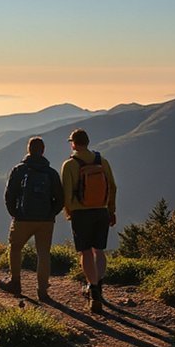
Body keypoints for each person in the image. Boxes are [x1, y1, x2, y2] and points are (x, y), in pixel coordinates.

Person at [0, 137, 63, 301]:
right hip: (46, 221)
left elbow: (9, 195)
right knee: (43, 254)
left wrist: (15, 213)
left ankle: (15, 282)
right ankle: (42, 290)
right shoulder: (51, 173)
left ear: (28, 150)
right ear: (43, 151)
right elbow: (60, 198)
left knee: (15, 248)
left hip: (22, 219)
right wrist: (51, 213)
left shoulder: (19, 170)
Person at [61, 128, 117, 313]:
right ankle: (98, 286)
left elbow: (67, 193)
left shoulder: (69, 165)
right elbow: (113, 187)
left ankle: (92, 290)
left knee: (85, 252)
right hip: (101, 211)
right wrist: (111, 210)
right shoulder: (103, 161)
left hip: (81, 213)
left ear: (74, 144)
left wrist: (68, 211)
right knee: (99, 250)